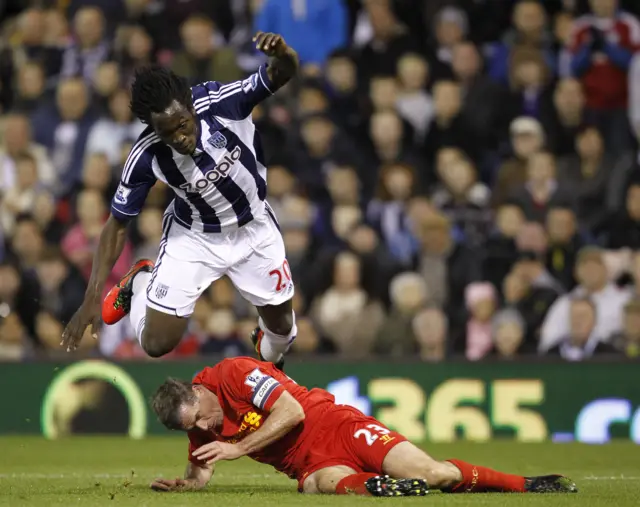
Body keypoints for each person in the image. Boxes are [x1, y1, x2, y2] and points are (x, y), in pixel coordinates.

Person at [61, 32, 300, 368]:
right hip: (194, 237)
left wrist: (283, 53)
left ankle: (266, 341)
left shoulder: (222, 102)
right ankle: (140, 281)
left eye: (183, 126)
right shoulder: (146, 155)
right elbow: (116, 225)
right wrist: (92, 295)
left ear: (190, 105)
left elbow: (282, 72)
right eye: (167, 133)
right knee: (156, 344)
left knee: (283, 333)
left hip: (254, 228)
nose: (180, 138)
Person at [149, 356, 578, 496]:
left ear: (196, 389)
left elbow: (292, 413)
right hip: (307, 464)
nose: (206, 425)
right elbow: (202, 466)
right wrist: (187, 484)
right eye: (195, 426)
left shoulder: (234, 374)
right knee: (322, 483)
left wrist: (239, 449)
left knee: (434, 473)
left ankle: (527, 485)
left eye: (202, 415)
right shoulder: (198, 424)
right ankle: (377, 486)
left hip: (334, 425)